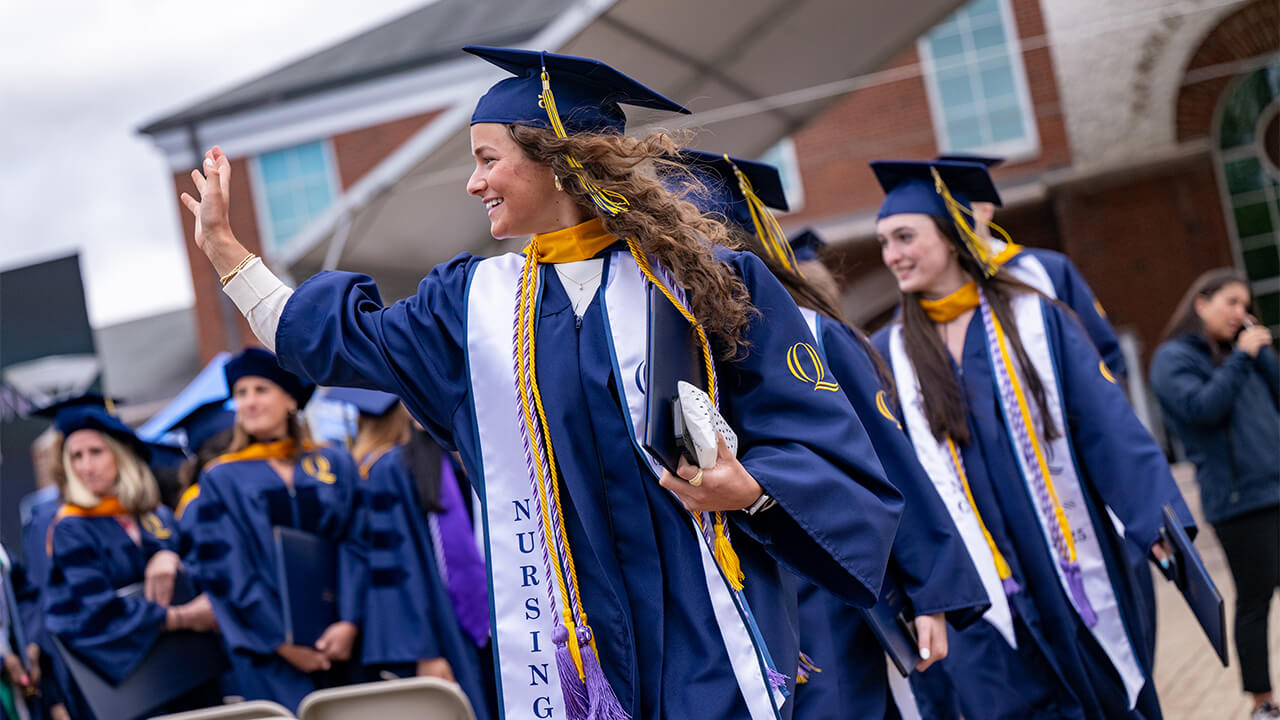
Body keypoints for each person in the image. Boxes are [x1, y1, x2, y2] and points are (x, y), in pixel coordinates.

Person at [181, 46, 904, 720]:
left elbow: (816, 434)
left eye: (487, 159)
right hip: (569, 653)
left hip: (707, 633)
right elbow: (335, 339)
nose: (473, 183)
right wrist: (225, 250)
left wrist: (748, 488)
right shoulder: (468, 307)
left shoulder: (706, 284)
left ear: (555, 161)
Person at [869, 159, 1193, 720]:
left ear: (950, 235)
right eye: (883, 242)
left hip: (1061, 549)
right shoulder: (888, 351)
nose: (891, 255)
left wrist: (1156, 519)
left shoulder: (1033, 316)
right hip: (979, 581)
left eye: (904, 237)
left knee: (1103, 695)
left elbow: (1103, 421)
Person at [673, 151, 988, 719]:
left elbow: (890, 462)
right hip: (719, 599)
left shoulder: (812, 334)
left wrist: (930, 588)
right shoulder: (659, 345)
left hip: (821, 583)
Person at [184, 348, 367, 712]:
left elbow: (359, 543)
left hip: (345, 641)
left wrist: (350, 621)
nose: (249, 402)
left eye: (260, 390)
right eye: (241, 393)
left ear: (289, 399)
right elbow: (228, 571)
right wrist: (282, 642)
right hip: (269, 652)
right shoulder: (221, 478)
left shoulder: (334, 462)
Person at [1150, 268, 1280, 719]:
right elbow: (1202, 410)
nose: (1240, 313)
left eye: (1246, 306)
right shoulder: (1173, 358)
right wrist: (1244, 359)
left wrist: (1262, 357)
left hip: (1276, 487)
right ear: (1201, 303)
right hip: (1240, 503)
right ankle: (1263, 703)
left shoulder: (1244, 354)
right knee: (1256, 598)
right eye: (1231, 302)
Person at [325, 386, 495, 719]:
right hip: (447, 636)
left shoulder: (490, 460)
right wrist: (423, 652)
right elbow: (394, 570)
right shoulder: (393, 470)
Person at [40, 403, 218, 718]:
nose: (85, 466)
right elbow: (101, 609)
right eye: (76, 457)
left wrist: (169, 554)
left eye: (96, 452)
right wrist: (183, 617)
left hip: (186, 670)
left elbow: (202, 571)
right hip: (125, 684)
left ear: (120, 454)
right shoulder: (71, 527)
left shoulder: (154, 516)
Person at [938, 154, 1128, 383]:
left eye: (957, 209)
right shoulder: (938, 290)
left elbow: (1102, 352)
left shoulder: (1047, 270)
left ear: (986, 209)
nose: (951, 221)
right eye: (941, 214)